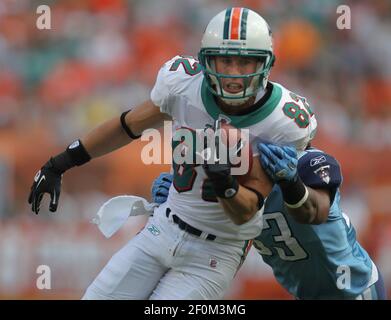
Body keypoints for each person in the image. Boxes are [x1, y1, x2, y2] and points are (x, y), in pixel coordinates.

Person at [28, 7, 317, 299]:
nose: (233, 73)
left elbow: (246, 211)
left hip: (216, 253)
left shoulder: (282, 120)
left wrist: (223, 182)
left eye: (244, 63)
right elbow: (127, 125)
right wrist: (60, 163)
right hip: (161, 229)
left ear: (265, 64)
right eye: (224, 60)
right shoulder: (183, 84)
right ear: (207, 60)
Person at [152, 143, 387, 299]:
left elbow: (318, 211)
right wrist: (178, 206)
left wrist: (291, 183)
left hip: (354, 288)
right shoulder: (225, 191)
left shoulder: (303, 163)